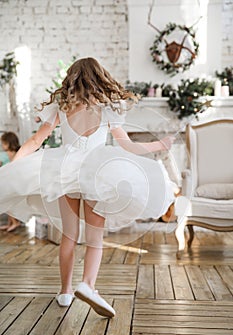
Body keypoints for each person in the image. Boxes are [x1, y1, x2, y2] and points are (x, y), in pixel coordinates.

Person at [0, 57, 175, 317]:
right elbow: (127, 146)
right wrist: (159, 145)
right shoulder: (108, 107)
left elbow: (37, 140)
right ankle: (89, 285)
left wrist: (13, 163)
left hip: (64, 170)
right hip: (99, 172)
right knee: (94, 238)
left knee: (68, 237)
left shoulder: (62, 106)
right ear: (99, 77)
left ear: (72, 78)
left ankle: (65, 291)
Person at [0, 132, 21, 232]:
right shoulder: (18, 153)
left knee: (5, 202)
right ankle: (10, 223)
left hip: (6, 182)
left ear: (8, 143)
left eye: (3, 143)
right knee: (11, 202)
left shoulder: (3, 155)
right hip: (16, 180)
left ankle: (15, 222)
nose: (2, 146)